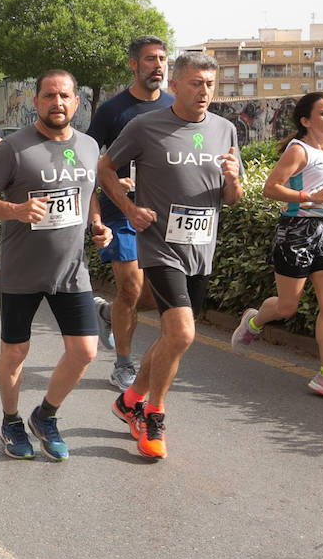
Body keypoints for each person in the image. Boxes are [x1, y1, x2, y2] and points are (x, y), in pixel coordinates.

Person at [97, 51, 242, 459]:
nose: (204, 91)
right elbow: (104, 168)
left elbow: (232, 199)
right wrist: (128, 209)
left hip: (201, 248)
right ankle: (153, 416)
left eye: (210, 84)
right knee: (180, 333)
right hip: (160, 245)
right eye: (196, 83)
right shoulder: (145, 126)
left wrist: (232, 180)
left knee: (173, 338)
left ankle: (130, 400)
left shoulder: (226, 130)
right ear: (175, 85)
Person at [0, 71, 111, 461]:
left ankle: (45, 415)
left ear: (76, 102)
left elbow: (89, 192)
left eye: (65, 96)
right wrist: (15, 209)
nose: (57, 103)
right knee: (15, 353)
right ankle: (11, 420)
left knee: (84, 351)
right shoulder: (15, 148)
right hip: (22, 272)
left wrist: (98, 224)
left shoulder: (89, 146)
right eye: (49, 96)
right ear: (36, 102)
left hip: (71, 270)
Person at [229, 92, 323, 400]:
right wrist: (308, 198)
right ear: (305, 121)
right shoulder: (298, 150)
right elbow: (270, 188)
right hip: (296, 232)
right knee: (288, 306)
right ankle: (254, 321)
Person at [88, 35, 174, 388]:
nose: (158, 65)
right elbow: (88, 157)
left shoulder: (174, 106)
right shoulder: (112, 110)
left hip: (161, 215)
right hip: (120, 211)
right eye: (150, 59)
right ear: (133, 65)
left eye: (163, 59)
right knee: (131, 287)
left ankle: (110, 312)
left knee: (152, 296)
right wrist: (112, 182)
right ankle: (124, 364)